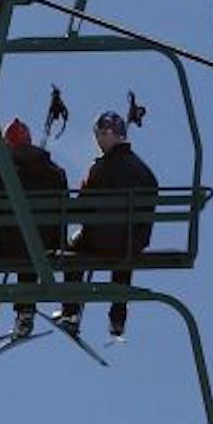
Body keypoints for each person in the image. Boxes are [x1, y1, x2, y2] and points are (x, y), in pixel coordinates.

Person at [58, 108, 159, 342]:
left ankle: (70, 312)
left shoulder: (101, 168)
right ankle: (118, 318)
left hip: (99, 240)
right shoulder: (143, 171)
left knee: (73, 247)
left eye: (101, 135)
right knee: (125, 253)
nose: (98, 141)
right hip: (130, 242)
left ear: (110, 134)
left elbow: (82, 207)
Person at [0, 118, 71, 347]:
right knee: (32, 244)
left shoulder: (2, 170)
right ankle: (25, 311)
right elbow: (62, 213)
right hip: (45, 245)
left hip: (10, 243)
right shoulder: (55, 172)